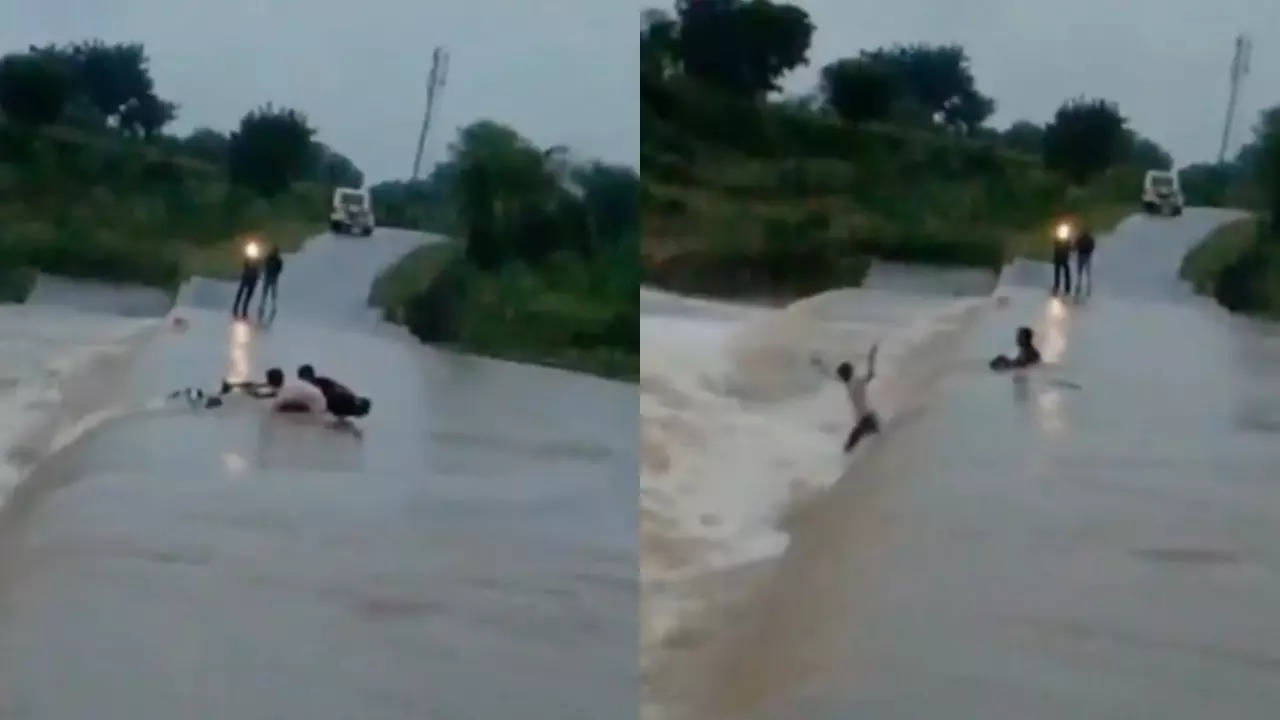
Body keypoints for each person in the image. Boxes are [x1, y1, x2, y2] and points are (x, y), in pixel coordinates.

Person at [818, 344, 880, 453]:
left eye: (841, 375)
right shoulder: (848, 382)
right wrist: (820, 365)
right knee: (874, 441)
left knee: (848, 448)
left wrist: (871, 356)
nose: (840, 378)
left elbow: (871, 375)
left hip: (866, 419)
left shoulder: (857, 382)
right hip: (865, 419)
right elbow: (830, 375)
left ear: (846, 374)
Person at [297, 364, 372, 418]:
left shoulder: (321, 381)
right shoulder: (302, 387)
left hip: (335, 400)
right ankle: (355, 406)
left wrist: (354, 397)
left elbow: (338, 387)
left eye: (307, 377)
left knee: (336, 398)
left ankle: (356, 405)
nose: (306, 380)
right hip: (332, 403)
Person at [232, 253, 261, 319]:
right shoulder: (249, 265)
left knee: (247, 296)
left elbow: (257, 271)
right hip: (246, 279)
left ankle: (244, 309)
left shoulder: (256, 266)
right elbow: (246, 264)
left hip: (251, 281)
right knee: (240, 293)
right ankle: (236, 307)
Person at [258, 246, 283, 320]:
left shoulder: (278, 260)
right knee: (267, 291)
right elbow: (265, 265)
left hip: (272, 277)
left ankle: (271, 304)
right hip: (269, 276)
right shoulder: (271, 258)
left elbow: (279, 269)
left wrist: (275, 273)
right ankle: (264, 304)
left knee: (271, 291)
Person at [1074, 227, 1095, 296]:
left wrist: (1076, 249)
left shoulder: (1080, 238)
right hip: (1086, 256)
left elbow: (1076, 245)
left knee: (1080, 272)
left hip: (1081, 255)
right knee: (1087, 272)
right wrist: (1089, 252)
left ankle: (1080, 287)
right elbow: (1092, 246)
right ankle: (1087, 288)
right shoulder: (1089, 238)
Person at [1051, 232, 1072, 296]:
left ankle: (1066, 288)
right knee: (1058, 274)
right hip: (1060, 259)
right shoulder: (1057, 241)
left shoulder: (1066, 241)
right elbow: (1055, 245)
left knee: (1064, 274)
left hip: (1063, 259)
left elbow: (1070, 248)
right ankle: (1058, 287)